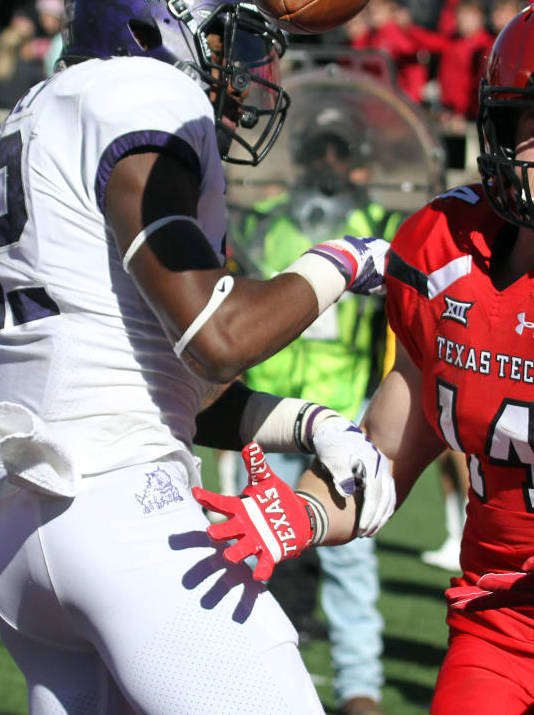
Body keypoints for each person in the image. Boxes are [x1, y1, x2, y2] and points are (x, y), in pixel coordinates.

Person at [199, 0, 534, 713]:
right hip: (506, 619)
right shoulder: (442, 247)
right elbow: (383, 459)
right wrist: (298, 516)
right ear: (502, 132)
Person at [0, 0, 397, 714]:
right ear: (162, 26)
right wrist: (348, 261)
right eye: (228, 42)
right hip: (118, 510)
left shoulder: (42, 111)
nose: (247, 74)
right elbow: (217, 336)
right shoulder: (138, 93)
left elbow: (173, 385)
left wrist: (313, 423)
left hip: (16, 518)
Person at [236, 109, 400, 715]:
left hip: (344, 405)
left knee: (353, 558)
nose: (326, 165)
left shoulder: (375, 226)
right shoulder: (266, 224)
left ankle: (360, 689)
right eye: (317, 152)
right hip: (269, 409)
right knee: (252, 550)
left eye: (337, 152)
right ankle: (251, 682)